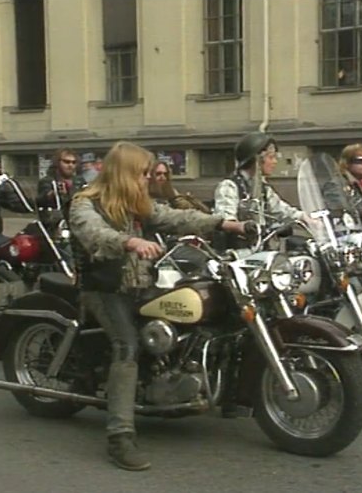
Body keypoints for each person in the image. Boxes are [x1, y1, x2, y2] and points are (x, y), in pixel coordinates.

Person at [68, 141, 252, 471]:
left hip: (142, 286)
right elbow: (93, 234)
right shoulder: (85, 203)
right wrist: (129, 241)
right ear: (125, 173)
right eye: (143, 173)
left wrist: (224, 224)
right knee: (128, 346)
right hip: (105, 290)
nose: (148, 179)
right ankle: (120, 437)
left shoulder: (139, 204)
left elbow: (174, 216)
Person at [213, 131, 305, 249]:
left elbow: (282, 210)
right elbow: (223, 221)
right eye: (271, 157)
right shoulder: (229, 186)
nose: (275, 162)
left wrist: (306, 218)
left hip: (260, 252)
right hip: (237, 256)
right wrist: (243, 226)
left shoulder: (263, 188)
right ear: (256, 160)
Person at [36, 148, 79, 228]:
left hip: (76, 222)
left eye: (74, 162)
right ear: (57, 163)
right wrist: (53, 193)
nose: (70, 165)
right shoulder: (48, 181)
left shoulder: (79, 181)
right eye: (66, 162)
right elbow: (40, 200)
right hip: (55, 225)